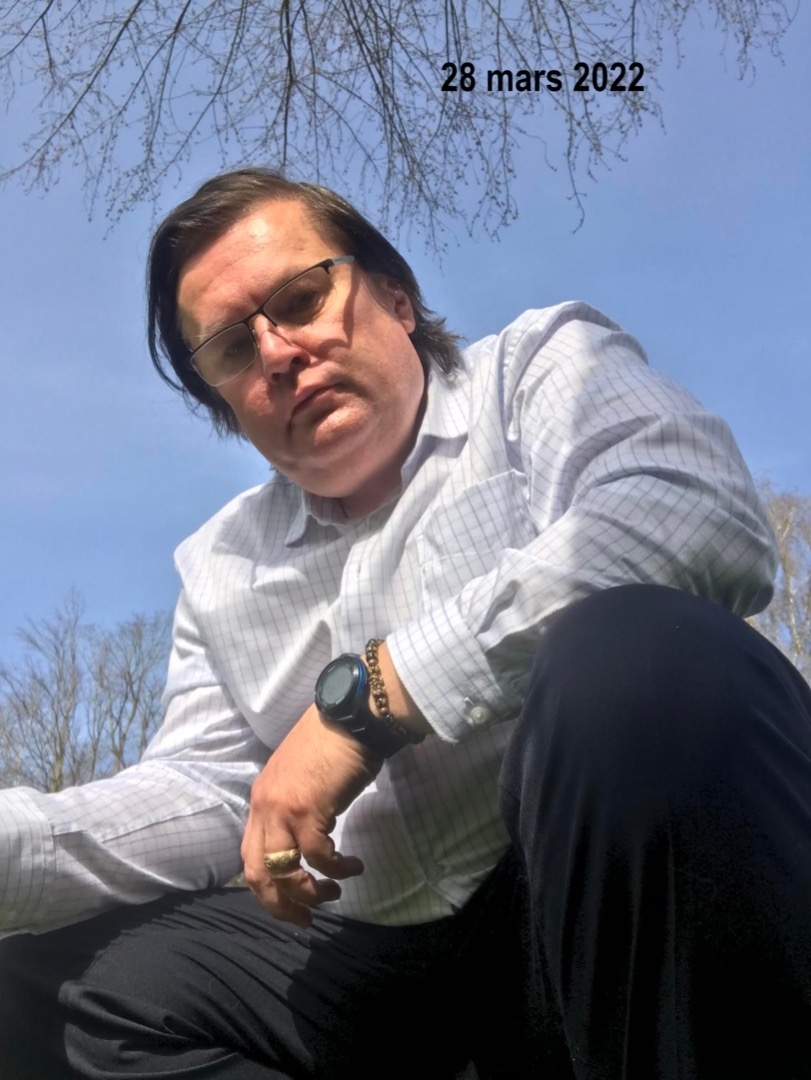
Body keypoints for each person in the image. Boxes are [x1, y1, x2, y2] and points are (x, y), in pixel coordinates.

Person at [1, 168, 809, 1080]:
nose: (277, 353)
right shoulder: (218, 564)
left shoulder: (535, 369)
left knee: (635, 655)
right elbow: (205, 789)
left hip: (589, 901)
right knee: (39, 988)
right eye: (231, 347)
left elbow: (692, 512)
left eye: (301, 299)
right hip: (368, 963)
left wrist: (372, 702)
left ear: (395, 296)